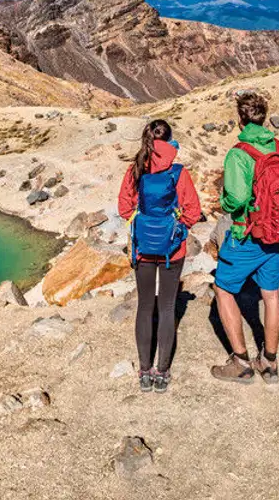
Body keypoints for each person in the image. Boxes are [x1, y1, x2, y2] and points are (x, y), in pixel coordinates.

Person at [211, 91, 279, 384]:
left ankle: (241, 363)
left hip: (248, 235)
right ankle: (269, 363)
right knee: (270, 294)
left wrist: (228, 202)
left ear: (240, 119)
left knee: (223, 289)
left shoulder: (238, 153)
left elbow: (237, 199)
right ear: (264, 116)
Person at [117, 118, 201, 393]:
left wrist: (141, 222)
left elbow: (123, 207)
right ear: (170, 140)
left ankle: (144, 371)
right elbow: (193, 210)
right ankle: (162, 372)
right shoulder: (179, 172)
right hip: (172, 250)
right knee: (166, 308)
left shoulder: (136, 169)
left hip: (143, 247)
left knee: (144, 306)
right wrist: (177, 229)